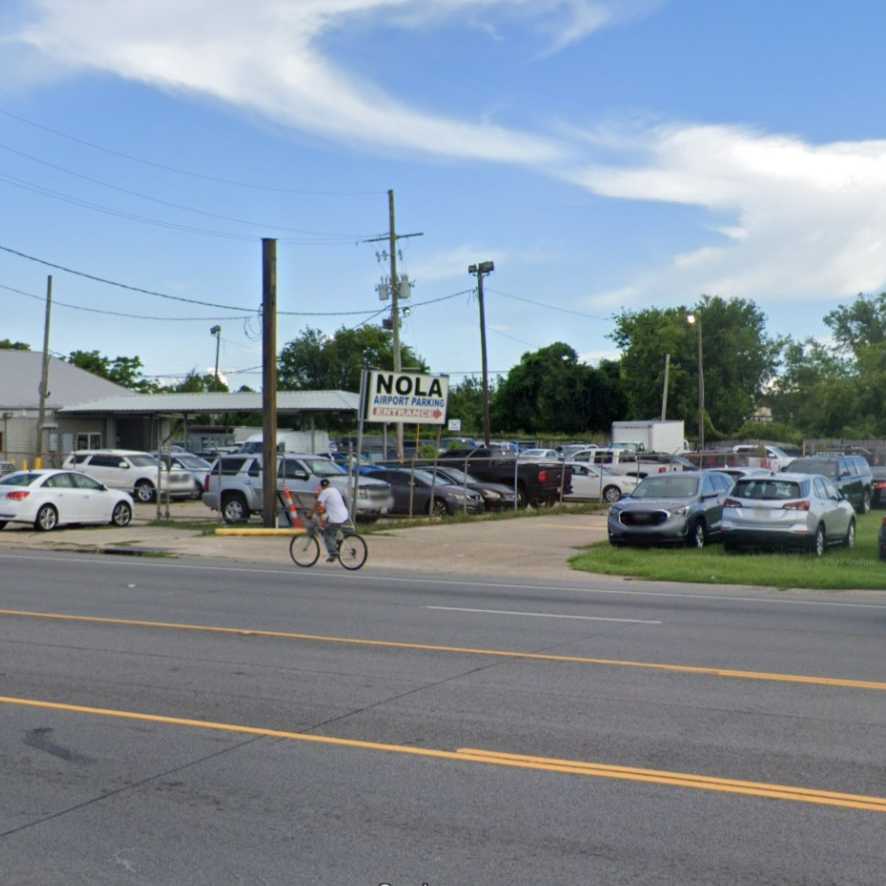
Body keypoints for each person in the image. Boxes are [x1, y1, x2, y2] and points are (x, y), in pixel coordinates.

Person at [311, 478, 350, 561]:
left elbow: (317, 504)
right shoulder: (334, 490)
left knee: (327, 534)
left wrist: (310, 514)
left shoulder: (324, 492)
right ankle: (337, 542)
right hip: (344, 515)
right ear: (329, 484)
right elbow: (326, 507)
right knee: (328, 525)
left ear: (321, 487)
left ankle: (333, 553)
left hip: (336, 518)